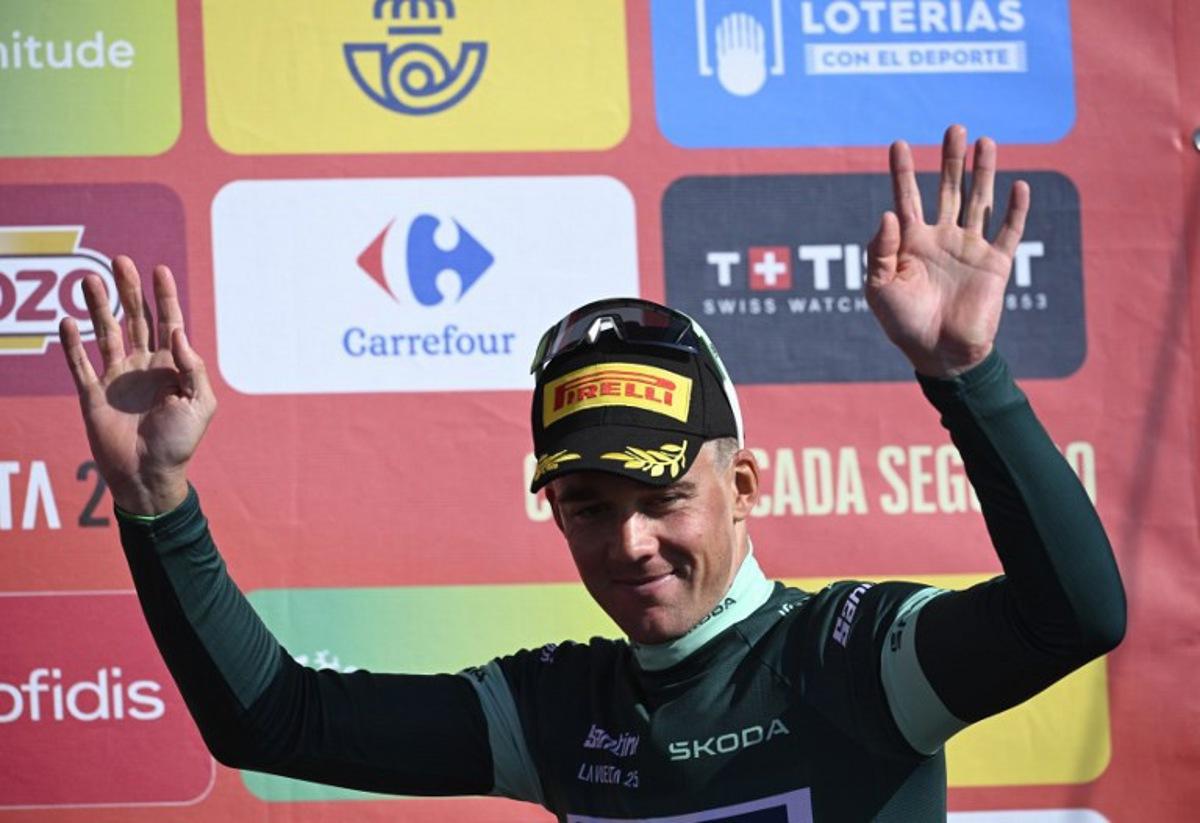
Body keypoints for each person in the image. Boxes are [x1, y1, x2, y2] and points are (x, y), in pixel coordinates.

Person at [59, 126, 1125, 822]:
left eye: (664, 495)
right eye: (587, 506)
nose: (628, 543)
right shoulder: (557, 711)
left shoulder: (853, 660)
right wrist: (158, 507)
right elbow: (274, 722)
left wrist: (967, 377)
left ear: (746, 484)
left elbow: (1076, 615)